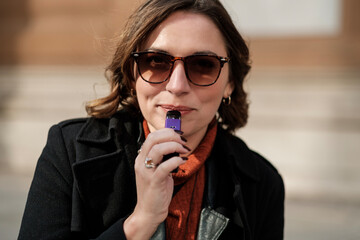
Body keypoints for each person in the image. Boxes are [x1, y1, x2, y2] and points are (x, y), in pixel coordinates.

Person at [18, 0, 284, 239]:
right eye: (156, 61)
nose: (177, 85)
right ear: (133, 75)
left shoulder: (263, 183)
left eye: (203, 64)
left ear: (230, 84)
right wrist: (140, 222)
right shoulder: (68, 151)